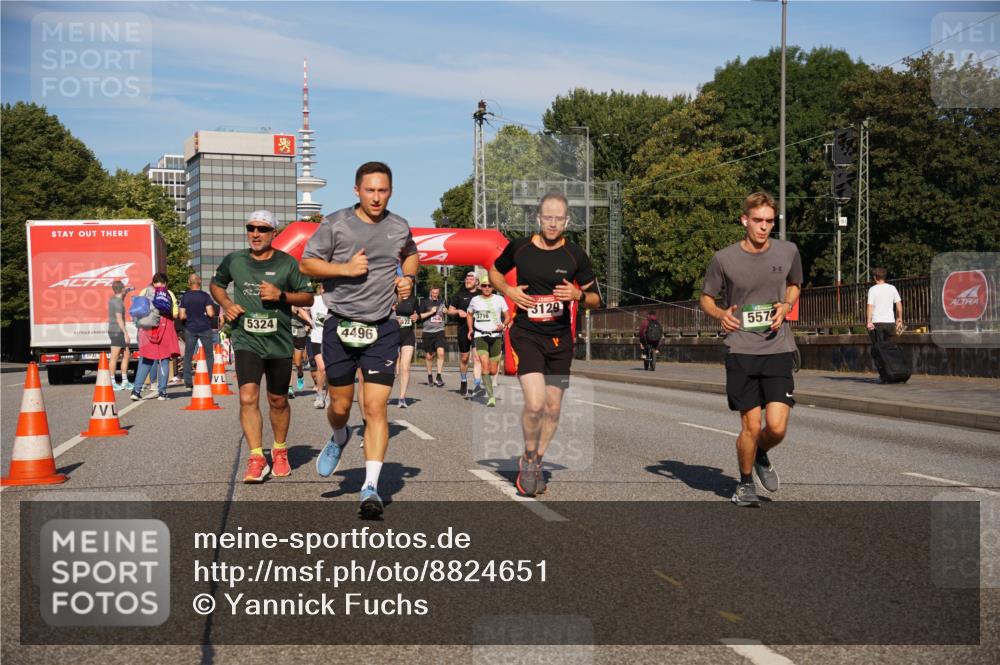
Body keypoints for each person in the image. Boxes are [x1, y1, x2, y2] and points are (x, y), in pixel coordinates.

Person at [300, 161, 418, 519]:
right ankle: (339, 438)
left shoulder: (398, 226)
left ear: (391, 192)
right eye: (370, 190)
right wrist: (344, 269)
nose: (376, 197)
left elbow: (410, 254)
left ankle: (371, 487)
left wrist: (408, 278)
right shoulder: (335, 223)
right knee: (340, 407)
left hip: (382, 327)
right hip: (340, 325)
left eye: (383, 191)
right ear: (356, 191)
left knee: (374, 408)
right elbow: (307, 264)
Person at [489, 191, 601, 497]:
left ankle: (538, 460)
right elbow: (494, 271)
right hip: (527, 334)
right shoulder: (520, 248)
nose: (552, 224)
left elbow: (597, 299)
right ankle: (527, 457)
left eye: (558, 218)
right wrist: (509, 292)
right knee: (536, 404)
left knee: (552, 409)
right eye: (547, 217)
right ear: (538, 218)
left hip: (561, 339)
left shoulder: (575, 255)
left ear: (566, 221)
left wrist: (578, 296)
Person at [699, 191, 803, 508]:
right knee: (750, 425)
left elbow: (795, 284)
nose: (763, 227)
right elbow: (706, 299)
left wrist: (786, 305)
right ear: (744, 220)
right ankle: (744, 485)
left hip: (777, 347)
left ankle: (760, 453)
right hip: (740, 349)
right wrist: (721, 315)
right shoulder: (724, 258)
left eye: (769, 221)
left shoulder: (788, 252)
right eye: (757, 221)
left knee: (777, 426)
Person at [211, 210, 315, 483]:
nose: (256, 233)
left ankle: (279, 450)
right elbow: (217, 284)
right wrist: (227, 304)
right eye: (251, 228)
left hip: (278, 342)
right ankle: (256, 456)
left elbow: (308, 297)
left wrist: (281, 295)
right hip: (247, 339)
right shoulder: (235, 260)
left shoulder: (288, 264)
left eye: (262, 229)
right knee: (247, 396)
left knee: (278, 401)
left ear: (274, 234)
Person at [130, 273, 181, 401]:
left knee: (146, 359)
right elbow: (175, 315)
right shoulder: (169, 294)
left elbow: (137, 309)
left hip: (147, 329)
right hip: (164, 328)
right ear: (166, 283)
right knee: (163, 360)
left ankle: (136, 391)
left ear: (153, 283)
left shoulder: (145, 291)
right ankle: (162, 392)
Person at [466, 276, 512, 407]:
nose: (487, 288)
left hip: (496, 336)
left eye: (489, 286)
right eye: (484, 285)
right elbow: (469, 314)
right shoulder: (475, 300)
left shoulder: (499, 299)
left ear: (493, 287)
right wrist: (470, 329)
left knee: (492, 370)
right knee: (484, 365)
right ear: (480, 287)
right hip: (480, 335)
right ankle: (491, 396)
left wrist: (503, 325)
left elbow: (508, 316)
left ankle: (488, 381)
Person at [448, 271, 483, 396]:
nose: (468, 280)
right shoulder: (459, 294)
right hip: (463, 329)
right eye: (467, 278)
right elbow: (449, 310)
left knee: (477, 358)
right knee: (464, 358)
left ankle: (477, 385)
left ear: (477, 281)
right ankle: (463, 381)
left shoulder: (482, 294)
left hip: (478, 329)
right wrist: (458, 311)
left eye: (471, 278)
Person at [179, 273, 216, 389]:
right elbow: (210, 313)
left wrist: (189, 316)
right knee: (209, 355)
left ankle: (188, 382)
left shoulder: (185, 296)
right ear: (199, 282)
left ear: (189, 283)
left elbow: (181, 316)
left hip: (190, 328)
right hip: (205, 327)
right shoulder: (205, 296)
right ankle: (208, 380)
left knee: (188, 355)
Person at [394, 289, 418, 408]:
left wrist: (416, 316)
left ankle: (402, 397)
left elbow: (417, 314)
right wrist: (394, 318)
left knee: (405, 366)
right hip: (391, 335)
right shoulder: (391, 296)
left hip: (408, 335)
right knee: (390, 365)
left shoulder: (413, 299)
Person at [418, 286, 447, 387]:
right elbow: (419, 316)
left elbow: (446, 312)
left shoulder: (442, 301)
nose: (435, 295)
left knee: (441, 353)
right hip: (428, 332)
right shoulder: (424, 302)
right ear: (430, 292)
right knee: (429, 356)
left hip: (440, 331)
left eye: (437, 293)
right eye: (433, 293)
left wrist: (446, 312)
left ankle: (438, 376)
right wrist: (431, 312)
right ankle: (430, 376)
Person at [867, 267, 903, 344]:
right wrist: (900, 318)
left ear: (875, 277)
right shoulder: (892, 288)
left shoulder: (872, 289)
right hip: (890, 322)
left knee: (878, 347)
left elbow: (870, 306)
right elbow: (899, 304)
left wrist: (869, 321)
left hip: (877, 323)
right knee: (888, 347)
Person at [107, 280, 133, 391]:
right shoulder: (117, 302)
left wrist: (128, 289)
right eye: (124, 288)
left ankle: (125, 381)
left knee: (126, 354)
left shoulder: (113, 299)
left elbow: (122, 292)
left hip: (116, 331)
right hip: (117, 331)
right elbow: (119, 319)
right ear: (121, 289)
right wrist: (126, 333)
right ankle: (112, 382)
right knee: (114, 356)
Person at [310, 283, 330, 409]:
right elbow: (297, 307)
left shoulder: (335, 302)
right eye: (324, 289)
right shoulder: (314, 300)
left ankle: (328, 396)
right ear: (321, 289)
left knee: (330, 370)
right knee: (322, 368)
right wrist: (309, 320)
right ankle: (319, 394)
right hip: (317, 339)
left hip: (332, 340)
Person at [289, 305, 312, 397]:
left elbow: (308, 318)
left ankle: (300, 374)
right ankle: (290, 388)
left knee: (298, 362)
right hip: (288, 332)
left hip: (300, 333)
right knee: (288, 362)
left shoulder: (300, 306)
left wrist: (298, 311)